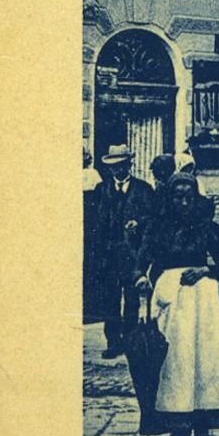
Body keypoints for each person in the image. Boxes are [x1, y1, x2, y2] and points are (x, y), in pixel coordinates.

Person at [135, 171, 219, 436]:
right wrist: (141, 279)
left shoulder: (207, 227)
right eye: (178, 197)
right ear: (169, 198)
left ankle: (203, 418)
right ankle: (176, 420)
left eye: (188, 197)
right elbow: (141, 263)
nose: (184, 203)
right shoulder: (156, 227)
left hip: (204, 300)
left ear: (195, 198)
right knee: (175, 356)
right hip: (171, 296)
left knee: (205, 356)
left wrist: (204, 269)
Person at [84, 144, 158, 358]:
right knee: (110, 300)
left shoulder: (143, 189)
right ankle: (114, 342)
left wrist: (139, 223)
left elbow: (153, 219)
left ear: (129, 165)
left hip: (133, 255)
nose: (118, 170)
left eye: (122, 165)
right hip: (109, 256)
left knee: (133, 299)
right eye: (114, 167)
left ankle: (131, 339)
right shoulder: (102, 190)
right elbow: (95, 225)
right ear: (109, 169)